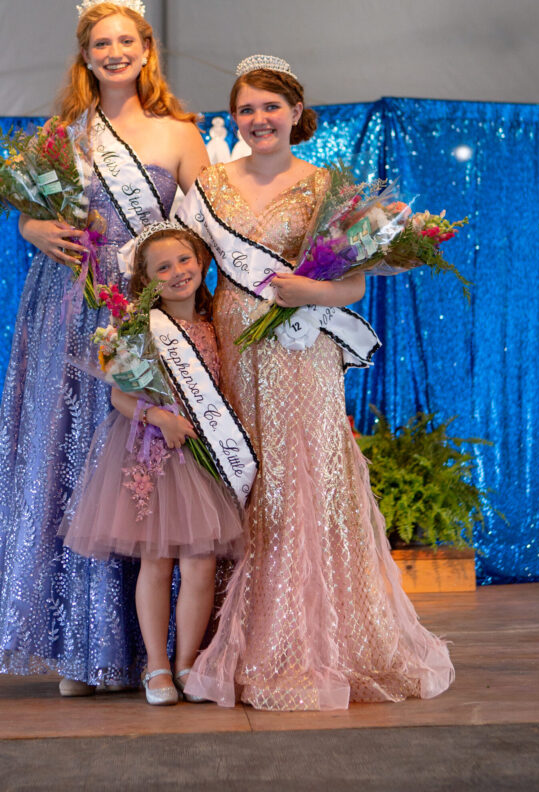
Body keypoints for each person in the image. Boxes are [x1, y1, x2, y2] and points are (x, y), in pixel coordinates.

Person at [176, 54, 455, 711]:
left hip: (301, 352)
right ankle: (236, 640)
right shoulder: (209, 185)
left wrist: (309, 291)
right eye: (246, 108)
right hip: (233, 351)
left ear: (296, 112)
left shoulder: (327, 186)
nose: (258, 118)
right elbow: (183, 265)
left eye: (270, 106)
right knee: (245, 479)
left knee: (301, 479)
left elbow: (353, 283)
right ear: (234, 117)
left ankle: (306, 642)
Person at [0, 0, 210, 695]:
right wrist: (31, 227)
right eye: (101, 43)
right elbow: (32, 213)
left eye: (126, 40)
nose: (114, 52)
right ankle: (80, 650)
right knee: (71, 462)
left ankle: (159, 653)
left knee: (146, 469)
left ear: (146, 50)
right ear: (85, 55)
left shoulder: (179, 134)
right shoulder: (62, 134)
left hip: (143, 310)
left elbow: (204, 231)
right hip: (67, 308)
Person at [60, 223, 245, 704]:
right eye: (163, 267)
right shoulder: (140, 330)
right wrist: (159, 416)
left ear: (201, 262)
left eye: (185, 260)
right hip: (153, 457)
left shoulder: (216, 326)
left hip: (202, 461)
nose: (178, 271)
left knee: (201, 564)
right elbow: (120, 396)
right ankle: (156, 667)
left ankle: (187, 664)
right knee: (156, 563)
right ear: (146, 281)